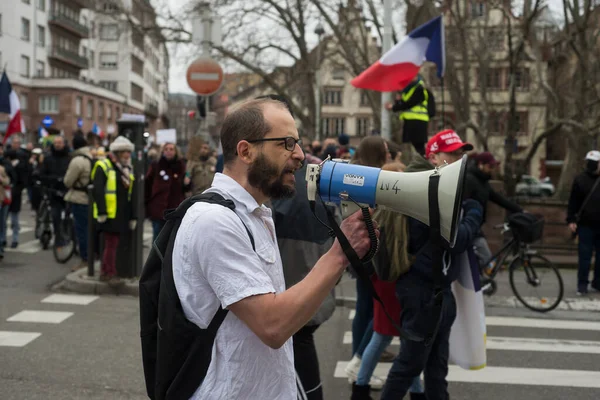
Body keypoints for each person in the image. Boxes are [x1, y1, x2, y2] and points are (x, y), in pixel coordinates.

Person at [170, 97, 376, 399]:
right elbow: (273, 325)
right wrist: (340, 253)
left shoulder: (257, 213)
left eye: (299, 143)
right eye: (287, 143)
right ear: (246, 151)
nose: (301, 155)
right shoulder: (215, 221)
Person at [381, 131, 482, 400]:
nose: (460, 159)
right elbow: (455, 238)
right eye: (453, 154)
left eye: (462, 154)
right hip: (422, 291)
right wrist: (474, 214)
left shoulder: (440, 186)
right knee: (410, 365)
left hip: (437, 290)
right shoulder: (426, 188)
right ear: (433, 156)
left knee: (436, 368)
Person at [352, 162, 424, 400]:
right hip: (392, 278)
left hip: (385, 278)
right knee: (391, 336)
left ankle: (363, 387)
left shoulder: (379, 207)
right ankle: (363, 385)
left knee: (395, 336)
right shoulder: (394, 209)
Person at [270, 164, 338, 400]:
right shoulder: (321, 188)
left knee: (298, 353)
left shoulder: (273, 191)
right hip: (316, 290)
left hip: (287, 292)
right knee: (302, 347)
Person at [345, 136, 391, 391]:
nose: (388, 154)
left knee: (365, 307)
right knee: (378, 309)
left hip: (358, 251)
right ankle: (359, 364)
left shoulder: (353, 170)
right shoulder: (368, 177)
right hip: (368, 249)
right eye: (385, 151)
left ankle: (358, 362)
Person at [464, 150, 523, 270]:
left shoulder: (483, 182)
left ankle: (479, 280)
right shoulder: (470, 180)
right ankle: (481, 283)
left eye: (494, 166)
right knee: (487, 259)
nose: (492, 169)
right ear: (480, 164)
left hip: (476, 226)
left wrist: (519, 210)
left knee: (484, 260)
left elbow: (498, 199)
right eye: (490, 166)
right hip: (468, 228)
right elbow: (462, 204)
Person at [92, 136, 138, 284]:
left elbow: (130, 194)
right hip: (109, 213)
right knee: (110, 244)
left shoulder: (126, 169)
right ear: (117, 153)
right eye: (125, 152)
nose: (127, 156)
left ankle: (108, 271)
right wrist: (102, 211)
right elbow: (98, 190)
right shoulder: (103, 165)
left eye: (128, 152)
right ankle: (108, 273)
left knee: (113, 244)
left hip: (121, 213)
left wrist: (133, 216)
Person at [567, 150, 600, 295]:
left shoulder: (579, 179)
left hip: (590, 224)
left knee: (590, 257)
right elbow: (573, 202)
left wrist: (571, 219)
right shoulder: (580, 180)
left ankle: (591, 284)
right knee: (585, 257)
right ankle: (584, 284)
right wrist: (571, 219)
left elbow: (573, 202)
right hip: (586, 225)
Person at [145, 142, 187, 240]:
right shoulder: (156, 165)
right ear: (162, 151)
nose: (168, 151)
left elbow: (185, 188)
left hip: (175, 209)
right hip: (158, 209)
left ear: (176, 152)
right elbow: (147, 184)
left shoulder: (181, 166)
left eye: (171, 149)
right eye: (166, 149)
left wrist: (187, 183)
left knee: (172, 240)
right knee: (157, 238)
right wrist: (148, 203)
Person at [63, 134, 93, 271]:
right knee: (89, 229)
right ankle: (91, 256)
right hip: (90, 198)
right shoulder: (92, 156)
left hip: (79, 198)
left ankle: (85, 259)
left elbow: (67, 181)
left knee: (81, 230)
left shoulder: (78, 161)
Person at [385, 75, 434, 156]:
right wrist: (398, 101)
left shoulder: (419, 88)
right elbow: (404, 103)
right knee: (412, 146)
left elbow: (408, 104)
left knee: (418, 147)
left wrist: (393, 107)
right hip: (411, 121)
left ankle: (423, 161)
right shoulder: (409, 89)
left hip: (418, 121)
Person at [40, 136, 71, 248]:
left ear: (63, 144)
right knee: (55, 216)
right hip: (53, 191)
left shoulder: (69, 158)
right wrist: (54, 179)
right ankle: (58, 238)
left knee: (68, 216)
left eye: (59, 143)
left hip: (66, 191)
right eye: (56, 143)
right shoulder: (48, 158)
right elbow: (42, 174)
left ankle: (67, 234)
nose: (57, 145)